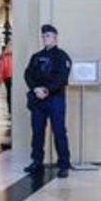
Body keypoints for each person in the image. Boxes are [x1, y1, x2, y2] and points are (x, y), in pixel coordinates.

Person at [23, 25, 72, 177]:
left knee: (59, 131)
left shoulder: (62, 56)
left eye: (49, 36)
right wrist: (35, 89)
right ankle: (37, 161)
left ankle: (64, 164)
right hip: (38, 100)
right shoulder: (36, 56)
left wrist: (47, 90)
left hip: (54, 99)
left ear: (55, 37)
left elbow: (62, 78)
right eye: (44, 36)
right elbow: (28, 74)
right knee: (37, 132)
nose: (45, 38)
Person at [0, 43, 14, 115]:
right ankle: (11, 108)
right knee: (10, 93)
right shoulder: (8, 57)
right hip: (9, 77)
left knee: (9, 93)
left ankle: (10, 108)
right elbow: (2, 68)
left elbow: (1, 68)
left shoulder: (4, 56)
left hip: (8, 77)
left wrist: (1, 78)